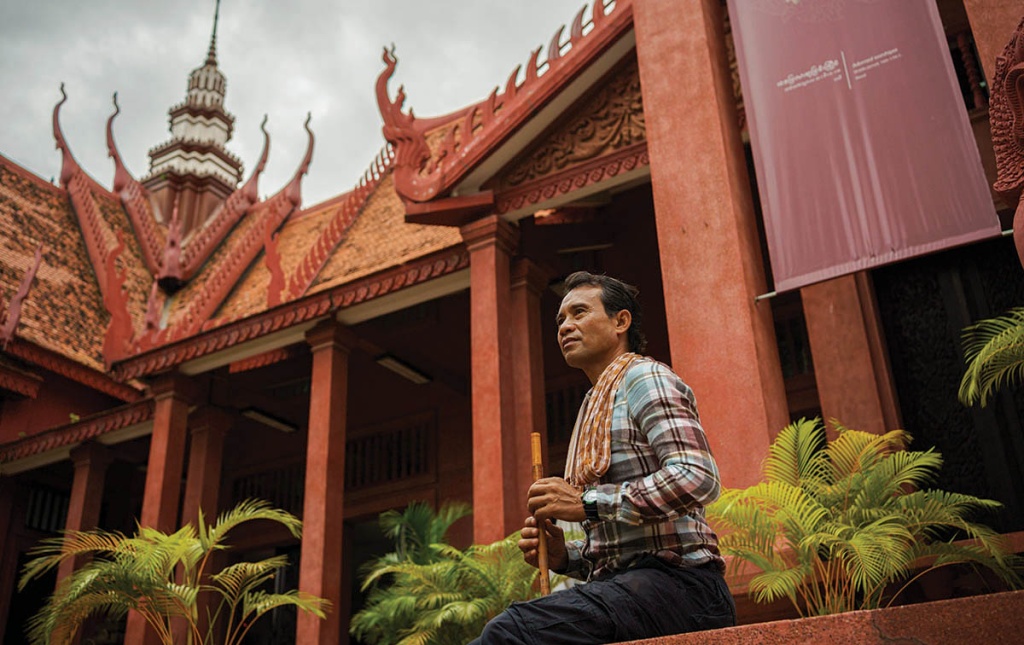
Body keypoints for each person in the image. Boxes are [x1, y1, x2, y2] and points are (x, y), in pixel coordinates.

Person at [470, 271, 735, 644]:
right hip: (628, 589)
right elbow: (616, 550)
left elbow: (696, 476)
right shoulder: (593, 405)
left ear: (620, 321)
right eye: (561, 319)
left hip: (682, 586)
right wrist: (565, 556)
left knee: (512, 631)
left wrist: (587, 502)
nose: (565, 326)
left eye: (579, 313)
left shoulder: (643, 378)